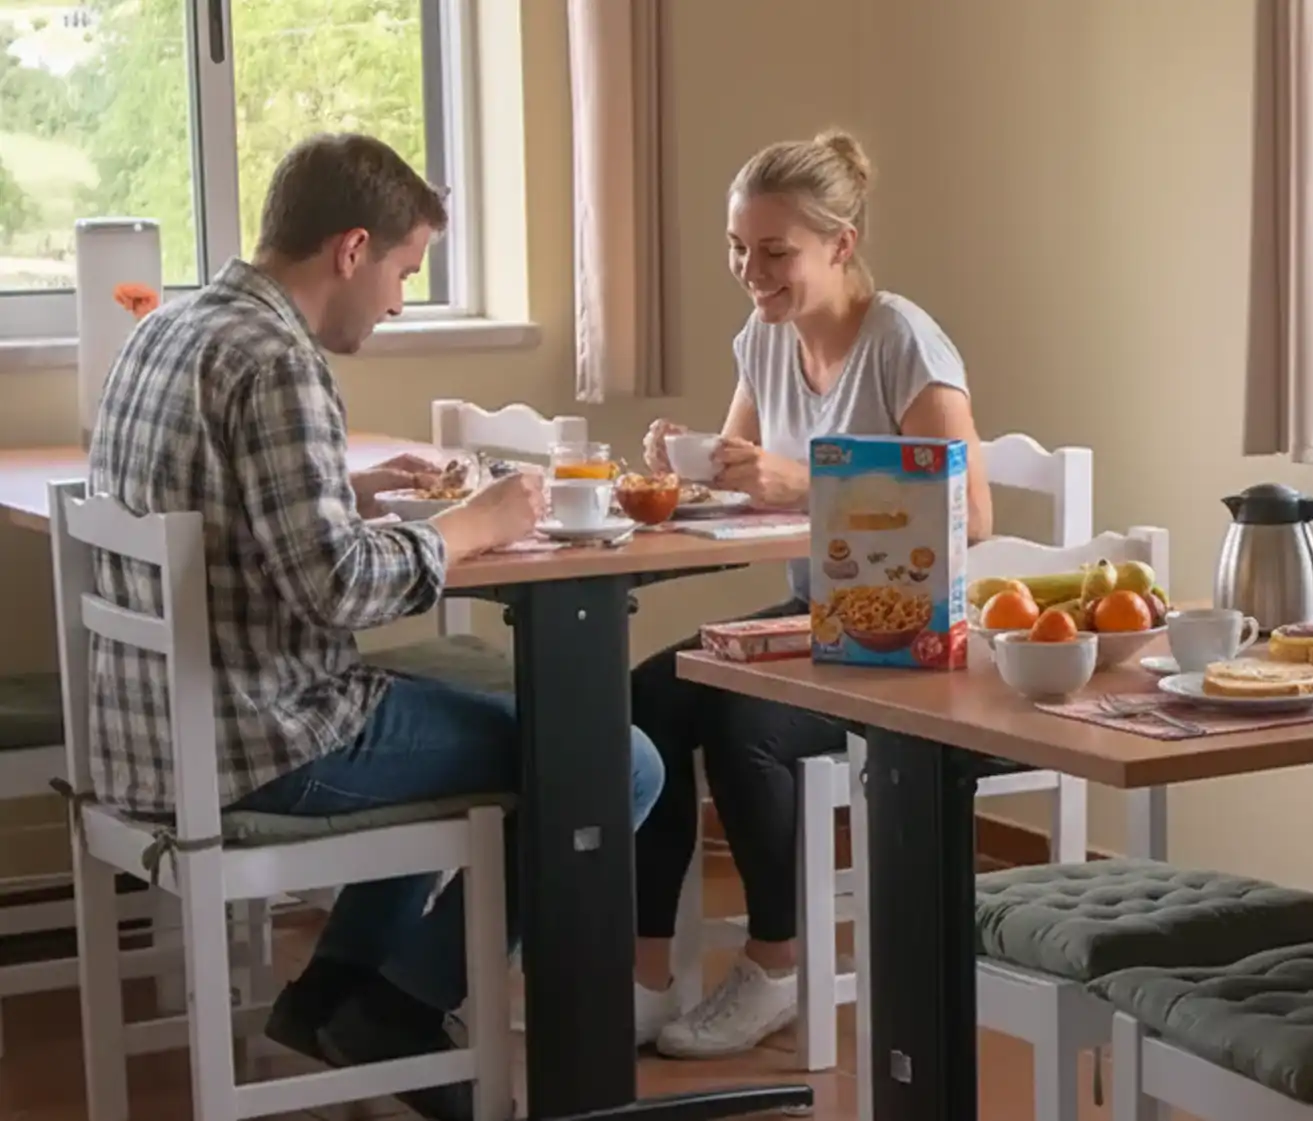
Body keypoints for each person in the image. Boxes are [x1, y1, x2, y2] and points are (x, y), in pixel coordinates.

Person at [85, 133, 666, 1121]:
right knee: (616, 757)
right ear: (353, 249)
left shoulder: (171, 328)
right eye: (404, 270)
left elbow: (219, 505)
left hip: (152, 731)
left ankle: (332, 992)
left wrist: (346, 486)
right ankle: (397, 1003)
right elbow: (338, 588)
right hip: (264, 739)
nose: (400, 298)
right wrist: (476, 523)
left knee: (452, 730)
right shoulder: (277, 361)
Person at [624, 128, 993, 1057]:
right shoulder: (766, 336)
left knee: (749, 725)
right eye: (739, 248)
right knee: (644, 700)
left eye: (775, 251)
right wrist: (691, 466)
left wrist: (807, 485)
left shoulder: (901, 340)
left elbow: (972, 511)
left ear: (842, 242)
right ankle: (643, 973)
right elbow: (753, 481)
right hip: (816, 615)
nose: (752, 270)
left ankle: (773, 968)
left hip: (920, 628)